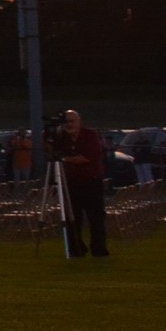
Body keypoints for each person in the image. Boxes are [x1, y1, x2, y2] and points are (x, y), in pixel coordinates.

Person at [50, 109, 110, 259]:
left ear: (79, 121)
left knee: (96, 218)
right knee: (72, 218)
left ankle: (99, 249)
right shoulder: (61, 137)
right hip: (70, 182)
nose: (69, 124)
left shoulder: (90, 135)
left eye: (72, 121)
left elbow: (88, 157)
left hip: (91, 181)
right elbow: (51, 150)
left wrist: (65, 159)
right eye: (66, 121)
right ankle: (76, 248)